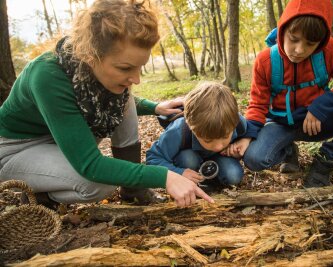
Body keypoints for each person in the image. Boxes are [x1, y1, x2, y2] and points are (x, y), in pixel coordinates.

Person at [0, 0, 213, 208]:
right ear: (91, 54)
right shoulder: (47, 75)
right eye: (125, 68)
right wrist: (166, 176)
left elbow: (113, 100)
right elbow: (91, 165)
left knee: (124, 97)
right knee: (99, 184)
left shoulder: (93, 73)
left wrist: (155, 107)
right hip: (16, 150)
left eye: (140, 68)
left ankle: (133, 192)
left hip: (61, 138)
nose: (136, 78)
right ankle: (43, 196)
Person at [228, 0, 333, 187]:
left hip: (320, 122)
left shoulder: (329, 50)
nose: (299, 50)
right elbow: (258, 104)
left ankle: (326, 161)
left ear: (321, 42)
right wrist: (248, 136)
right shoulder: (265, 60)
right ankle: (288, 151)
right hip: (282, 124)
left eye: (310, 44)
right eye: (294, 39)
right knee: (254, 159)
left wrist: (321, 106)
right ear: (283, 30)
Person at [146, 82, 256, 188]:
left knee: (233, 175)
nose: (218, 146)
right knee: (188, 159)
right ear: (191, 127)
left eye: (225, 137)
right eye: (208, 140)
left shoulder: (234, 120)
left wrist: (245, 140)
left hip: (219, 158)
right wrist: (179, 172)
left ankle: (209, 181)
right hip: (189, 157)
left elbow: (252, 128)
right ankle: (190, 179)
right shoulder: (179, 130)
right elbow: (153, 158)